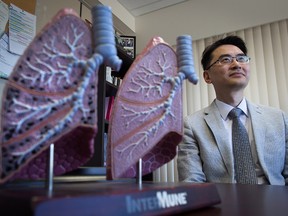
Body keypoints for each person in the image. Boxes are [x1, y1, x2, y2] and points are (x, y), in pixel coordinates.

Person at [177, 35, 288, 185]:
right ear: (207, 76)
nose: (237, 64)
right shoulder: (191, 125)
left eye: (241, 58)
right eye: (225, 60)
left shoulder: (278, 118)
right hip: (223, 206)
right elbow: (192, 183)